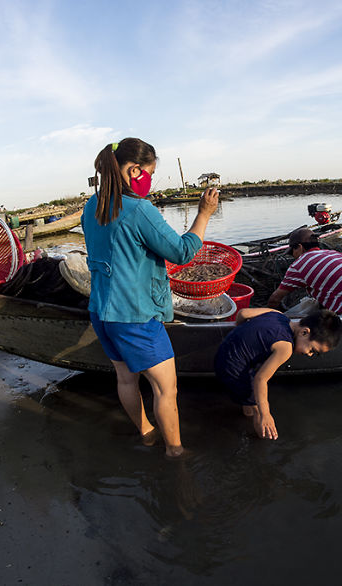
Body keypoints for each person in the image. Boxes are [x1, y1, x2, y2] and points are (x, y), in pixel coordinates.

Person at [82, 137, 219, 458]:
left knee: (126, 380)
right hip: (135, 316)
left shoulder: (94, 204)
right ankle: (175, 452)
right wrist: (204, 213)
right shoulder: (139, 210)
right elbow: (183, 251)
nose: (151, 180)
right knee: (165, 389)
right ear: (133, 170)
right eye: (150, 173)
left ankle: (145, 432)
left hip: (101, 310)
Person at [215, 307, 341, 440]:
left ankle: (247, 410)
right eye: (312, 350)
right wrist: (266, 414)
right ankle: (263, 444)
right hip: (232, 367)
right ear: (304, 332)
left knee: (249, 397)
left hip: (224, 350)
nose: (309, 355)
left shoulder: (278, 315)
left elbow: (243, 313)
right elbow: (261, 379)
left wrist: (242, 335)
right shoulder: (285, 347)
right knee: (258, 408)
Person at [267, 227, 342, 315]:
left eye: (292, 251)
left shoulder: (298, 265)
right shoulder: (333, 253)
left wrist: (273, 316)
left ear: (299, 247)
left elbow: (275, 299)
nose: (293, 256)